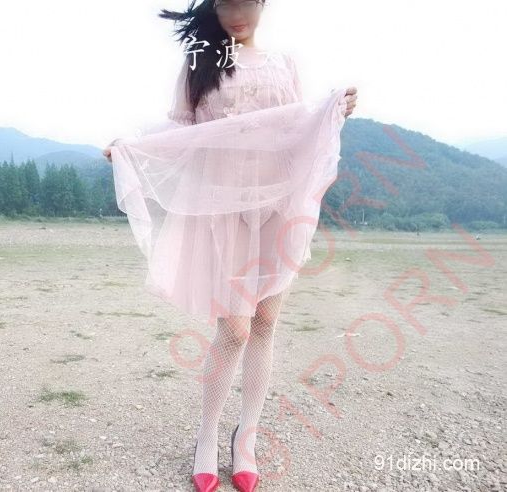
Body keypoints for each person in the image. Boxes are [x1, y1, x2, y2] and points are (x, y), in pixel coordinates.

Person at [105, 2, 357, 491]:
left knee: (264, 324)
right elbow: (181, 132)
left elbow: (296, 129)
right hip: (223, 208)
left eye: (244, 1)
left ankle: (247, 439)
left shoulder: (285, 63)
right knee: (235, 328)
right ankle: (207, 436)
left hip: (277, 207)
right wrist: (131, 145)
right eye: (224, 2)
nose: (234, 12)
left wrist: (334, 111)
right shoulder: (201, 61)